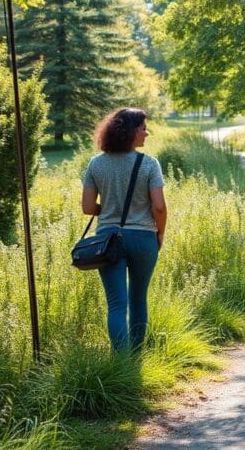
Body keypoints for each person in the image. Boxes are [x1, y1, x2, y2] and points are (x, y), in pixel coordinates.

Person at [82, 108, 167, 352]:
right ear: (130, 131)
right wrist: (159, 233)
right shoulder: (149, 164)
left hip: (108, 240)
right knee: (138, 298)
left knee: (117, 305)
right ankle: (137, 356)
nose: (146, 133)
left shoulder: (96, 163)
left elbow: (88, 207)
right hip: (143, 238)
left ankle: (121, 364)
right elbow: (159, 207)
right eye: (143, 128)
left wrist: (109, 210)